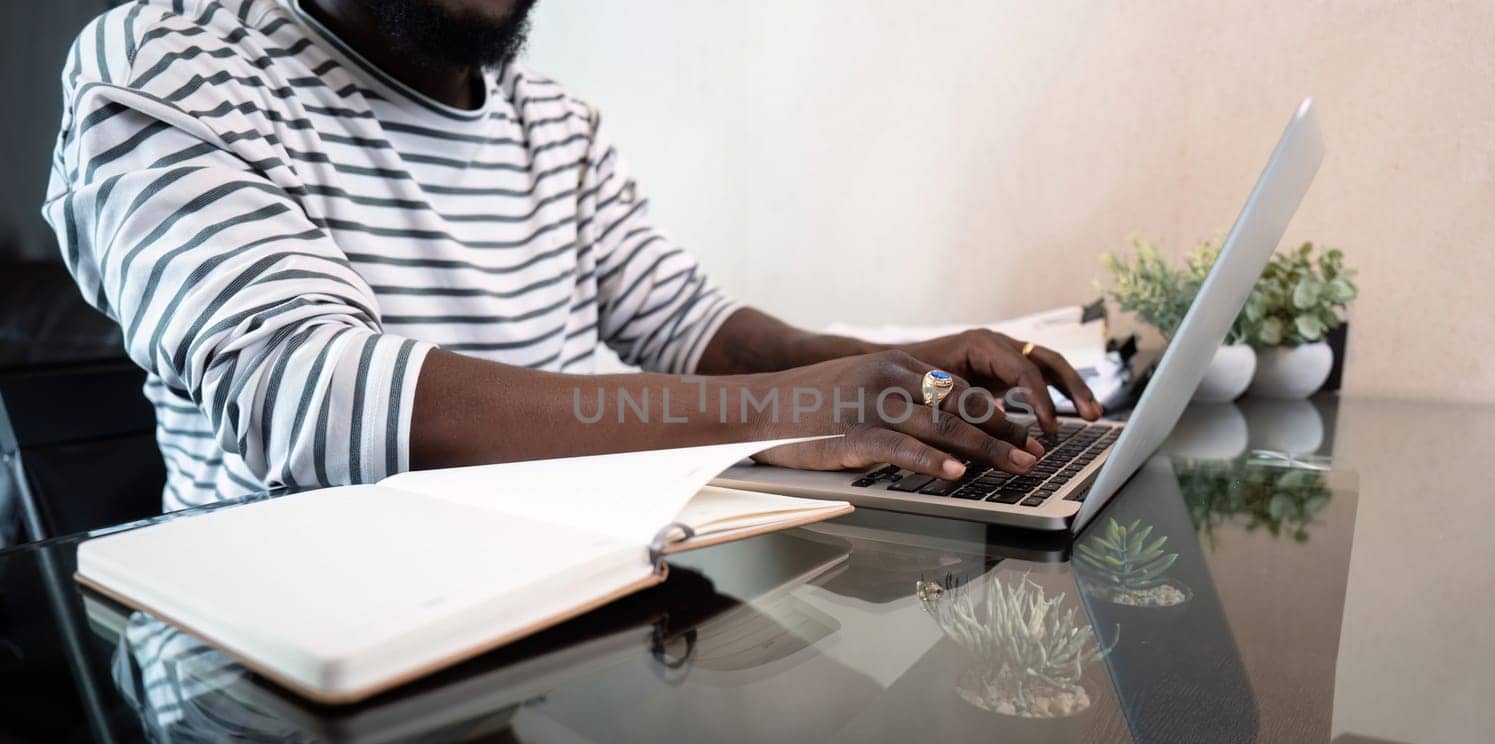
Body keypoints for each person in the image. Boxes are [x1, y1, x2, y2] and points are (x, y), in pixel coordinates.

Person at [44, 0, 1101, 510]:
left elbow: (698, 332)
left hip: (554, 618)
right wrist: (781, 407)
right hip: (281, 710)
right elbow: (310, 394)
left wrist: (907, 371)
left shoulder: (555, 125)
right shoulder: (168, 63)